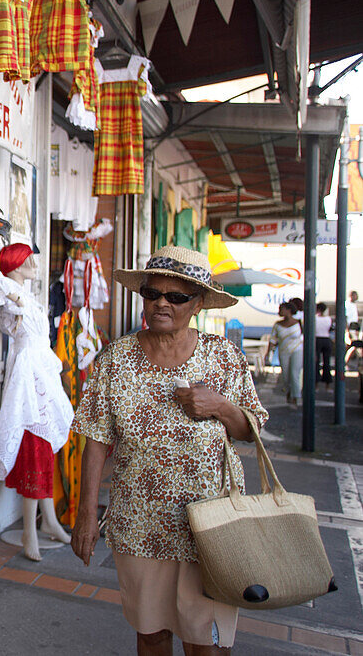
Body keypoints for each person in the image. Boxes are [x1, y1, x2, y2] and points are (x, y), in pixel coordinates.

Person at [71, 246, 268, 655]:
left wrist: (220, 406)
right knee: (151, 633)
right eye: (152, 293)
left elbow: (251, 429)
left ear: (197, 304)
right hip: (140, 524)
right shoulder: (117, 360)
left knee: (206, 643)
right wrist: (86, 515)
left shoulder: (224, 358)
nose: (162, 302)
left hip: (211, 526)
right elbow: (96, 439)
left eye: (176, 296)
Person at [0, 244, 74, 561]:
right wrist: (17, 294)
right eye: (28, 260)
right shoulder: (10, 295)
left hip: (42, 374)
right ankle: (29, 529)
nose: (35, 264)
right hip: (28, 378)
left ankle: (47, 520)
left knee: (46, 447)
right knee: (36, 448)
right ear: (16, 263)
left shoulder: (26, 297)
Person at [269, 301, 304, 405]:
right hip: (283, 351)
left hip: (297, 350)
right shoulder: (277, 324)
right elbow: (273, 339)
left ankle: (296, 396)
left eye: (281, 309)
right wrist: (269, 352)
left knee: (295, 373)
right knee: (286, 374)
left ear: (288, 310)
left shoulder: (298, 323)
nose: (279, 311)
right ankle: (289, 392)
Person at [315, 302, 334, 387]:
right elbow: (330, 329)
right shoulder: (329, 319)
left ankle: (316, 383)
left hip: (317, 339)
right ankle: (327, 384)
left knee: (316, 362)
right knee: (327, 362)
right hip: (326, 339)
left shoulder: (315, 319)